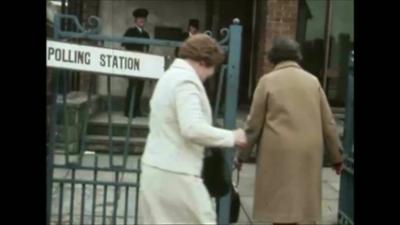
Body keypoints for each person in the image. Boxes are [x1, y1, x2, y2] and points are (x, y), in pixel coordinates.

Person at [139, 34, 247, 224]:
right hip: (178, 174)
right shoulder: (186, 82)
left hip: (155, 170)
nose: (210, 75)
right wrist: (232, 136)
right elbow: (192, 128)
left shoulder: (168, 78)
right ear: (204, 62)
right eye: (212, 68)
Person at [236, 37, 344, 225]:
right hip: (308, 152)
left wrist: (241, 155)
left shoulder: (266, 82)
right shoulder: (313, 82)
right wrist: (336, 157)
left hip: (278, 152)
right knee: (299, 205)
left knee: (281, 207)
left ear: (273, 58)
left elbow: (254, 124)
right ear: (297, 56)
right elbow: (329, 123)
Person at [122, 8, 150, 117]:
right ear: (135, 20)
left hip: (143, 64)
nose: (142, 21)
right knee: (132, 86)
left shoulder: (146, 34)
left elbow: (147, 49)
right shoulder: (130, 31)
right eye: (140, 19)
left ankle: (136, 110)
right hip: (133, 62)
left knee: (140, 87)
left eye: (143, 19)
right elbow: (125, 45)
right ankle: (128, 111)